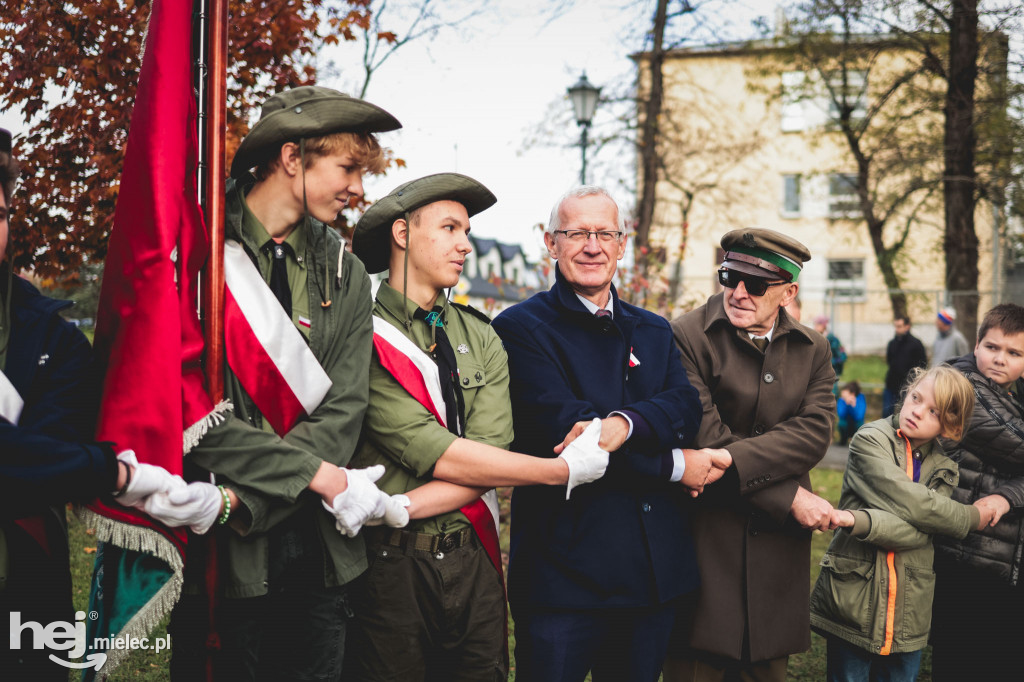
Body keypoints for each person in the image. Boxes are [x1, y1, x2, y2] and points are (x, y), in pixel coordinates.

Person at [167, 86, 408, 682]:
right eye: (348, 168)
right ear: (292, 158)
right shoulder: (197, 253)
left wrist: (250, 499)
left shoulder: (346, 270)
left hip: (314, 553)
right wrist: (313, 477)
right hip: (222, 553)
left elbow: (345, 409)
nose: (359, 188)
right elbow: (190, 415)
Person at [344, 173, 610, 681]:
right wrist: (559, 471)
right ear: (402, 234)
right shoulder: (362, 334)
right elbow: (436, 450)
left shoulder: (480, 334)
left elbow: (489, 456)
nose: (465, 244)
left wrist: (400, 506)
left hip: (473, 561)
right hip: (389, 567)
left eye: (465, 231)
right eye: (449, 228)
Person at [0, 128, 222, 679]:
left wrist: (87, 466)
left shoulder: (52, 338)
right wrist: (112, 472)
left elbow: (51, 465)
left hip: (20, 593)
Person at [492, 186, 716, 681]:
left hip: (649, 577)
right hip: (564, 580)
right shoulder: (520, 329)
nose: (591, 246)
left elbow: (685, 408)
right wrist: (677, 465)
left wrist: (621, 424)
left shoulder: (654, 329)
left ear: (621, 245)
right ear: (552, 244)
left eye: (604, 233)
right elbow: (568, 439)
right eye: (576, 233)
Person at [665, 228, 837, 682]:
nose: (738, 293)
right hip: (705, 536)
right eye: (729, 276)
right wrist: (790, 497)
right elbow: (705, 436)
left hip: (775, 551)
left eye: (756, 284)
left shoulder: (813, 348)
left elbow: (815, 432)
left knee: (764, 668)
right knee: (694, 665)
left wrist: (745, 469)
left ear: (789, 292)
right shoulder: (684, 335)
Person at [811, 366, 986, 682]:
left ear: (949, 427)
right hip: (856, 599)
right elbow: (916, 506)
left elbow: (921, 533)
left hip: (909, 608)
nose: (917, 411)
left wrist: (859, 520)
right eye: (916, 398)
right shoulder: (870, 440)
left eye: (933, 411)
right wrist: (968, 517)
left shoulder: (946, 469)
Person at [931, 303, 1024, 681]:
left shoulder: (1009, 395)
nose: (999, 359)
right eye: (992, 347)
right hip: (967, 554)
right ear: (975, 345)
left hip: (1000, 554)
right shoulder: (962, 388)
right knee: (963, 660)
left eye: (1014, 353)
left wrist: (1009, 496)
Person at [883, 315, 927, 417]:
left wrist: (913, 382)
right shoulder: (892, 343)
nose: (897, 329)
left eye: (899, 326)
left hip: (907, 385)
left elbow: (922, 366)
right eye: (896, 326)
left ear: (907, 326)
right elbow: (889, 361)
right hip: (891, 384)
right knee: (886, 413)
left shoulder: (916, 344)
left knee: (905, 414)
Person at [813, 314, 846, 382]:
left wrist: (831, 362)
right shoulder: (816, 338)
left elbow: (843, 356)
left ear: (823, 325)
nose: (815, 327)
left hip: (831, 374)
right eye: (815, 325)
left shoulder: (833, 340)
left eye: (817, 325)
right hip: (819, 375)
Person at [836, 381, 866, 445]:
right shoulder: (841, 400)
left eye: (844, 391)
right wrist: (847, 405)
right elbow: (841, 415)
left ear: (852, 394)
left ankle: (858, 440)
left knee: (860, 424)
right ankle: (843, 439)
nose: (842, 393)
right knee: (841, 423)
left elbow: (859, 417)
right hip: (846, 423)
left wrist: (853, 407)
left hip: (856, 424)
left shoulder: (860, 399)